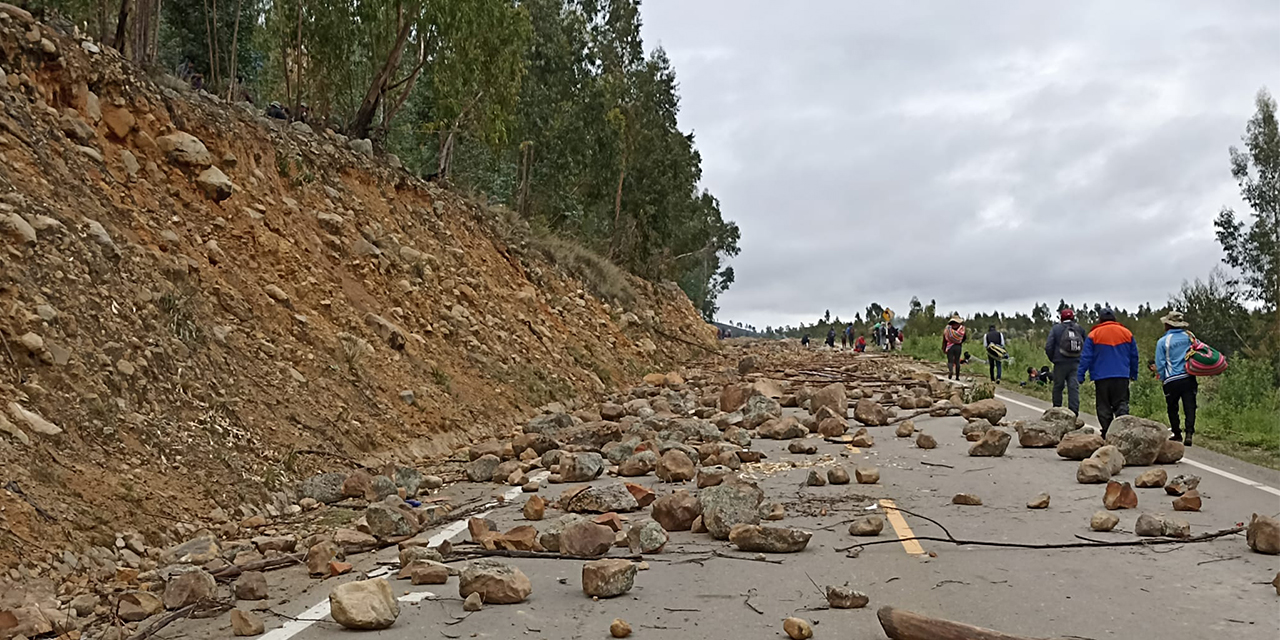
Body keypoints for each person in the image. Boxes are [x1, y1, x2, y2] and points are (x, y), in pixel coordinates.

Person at [1077, 307, 1139, 437]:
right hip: (1122, 375)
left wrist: (1080, 375)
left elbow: (1086, 357)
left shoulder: (1094, 334)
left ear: (1100, 319)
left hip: (1102, 376)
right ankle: (1121, 430)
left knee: (1103, 406)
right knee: (1121, 403)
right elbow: (1134, 355)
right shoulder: (1126, 333)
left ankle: (1107, 431)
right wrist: (1133, 373)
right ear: (1115, 318)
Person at [1155, 311, 1197, 446]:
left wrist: (1162, 377)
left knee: (1172, 407)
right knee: (1189, 405)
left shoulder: (1163, 341)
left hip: (1171, 379)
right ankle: (1189, 433)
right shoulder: (1189, 337)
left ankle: (1177, 433)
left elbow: (1160, 363)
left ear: (1167, 325)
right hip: (1188, 376)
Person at [1045, 308, 1084, 416]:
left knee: (1058, 386)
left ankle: (1057, 410)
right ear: (1073, 317)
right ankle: (1074, 413)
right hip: (1075, 362)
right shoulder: (1079, 329)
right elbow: (1085, 345)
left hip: (1060, 363)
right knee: (1073, 388)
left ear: (1061, 318)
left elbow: (1049, 346)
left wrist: (1053, 359)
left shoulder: (1056, 329)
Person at [942, 314, 967, 380]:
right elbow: (964, 337)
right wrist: (959, 342)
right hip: (958, 346)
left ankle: (950, 371)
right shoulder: (961, 329)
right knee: (957, 361)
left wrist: (943, 347)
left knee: (950, 361)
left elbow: (944, 338)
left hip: (950, 346)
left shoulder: (948, 329)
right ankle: (957, 377)